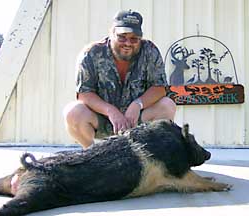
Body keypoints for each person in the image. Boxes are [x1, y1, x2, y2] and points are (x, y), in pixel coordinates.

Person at [63, 9, 176, 149]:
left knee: (167, 105)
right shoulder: (91, 53)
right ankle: (91, 155)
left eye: (134, 39)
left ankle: (148, 154)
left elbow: (160, 88)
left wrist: (137, 104)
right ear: (112, 33)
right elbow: (84, 93)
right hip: (102, 120)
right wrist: (111, 111)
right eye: (122, 37)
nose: (128, 43)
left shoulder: (150, 51)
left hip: (137, 121)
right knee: (73, 111)